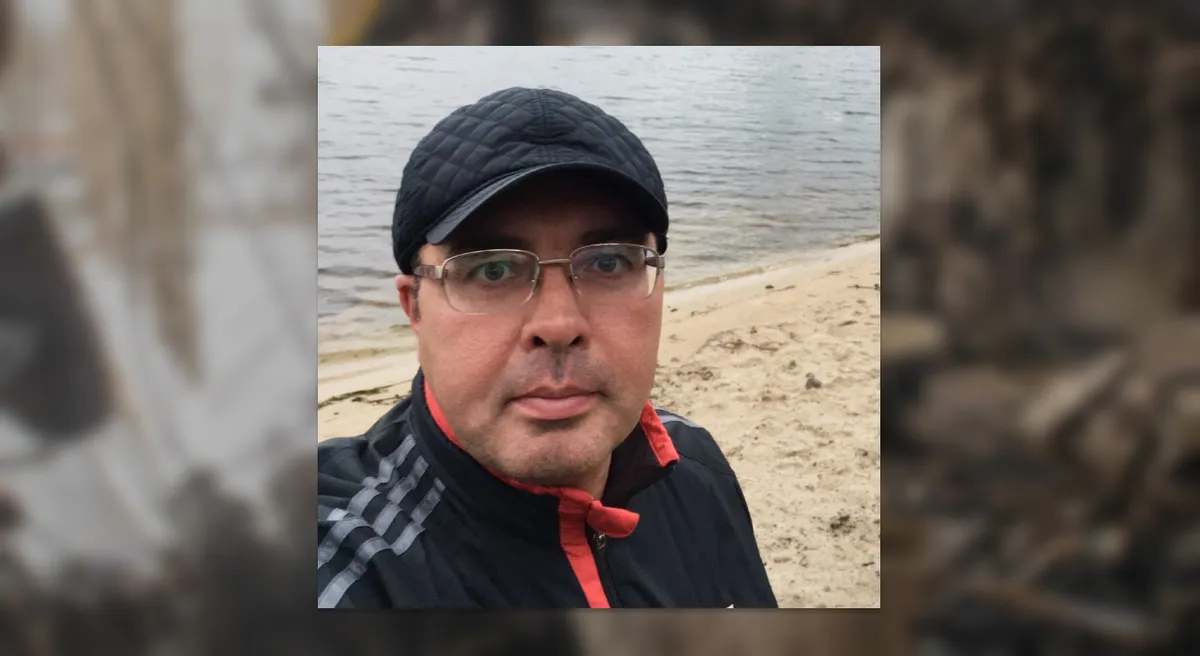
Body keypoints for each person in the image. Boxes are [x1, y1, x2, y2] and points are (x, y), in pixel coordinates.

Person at [317, 86, 778, 609]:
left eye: (608, 262)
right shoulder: (350, 567)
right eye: (492, 270)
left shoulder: (693, 463)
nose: (559, 325)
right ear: (414, 308)